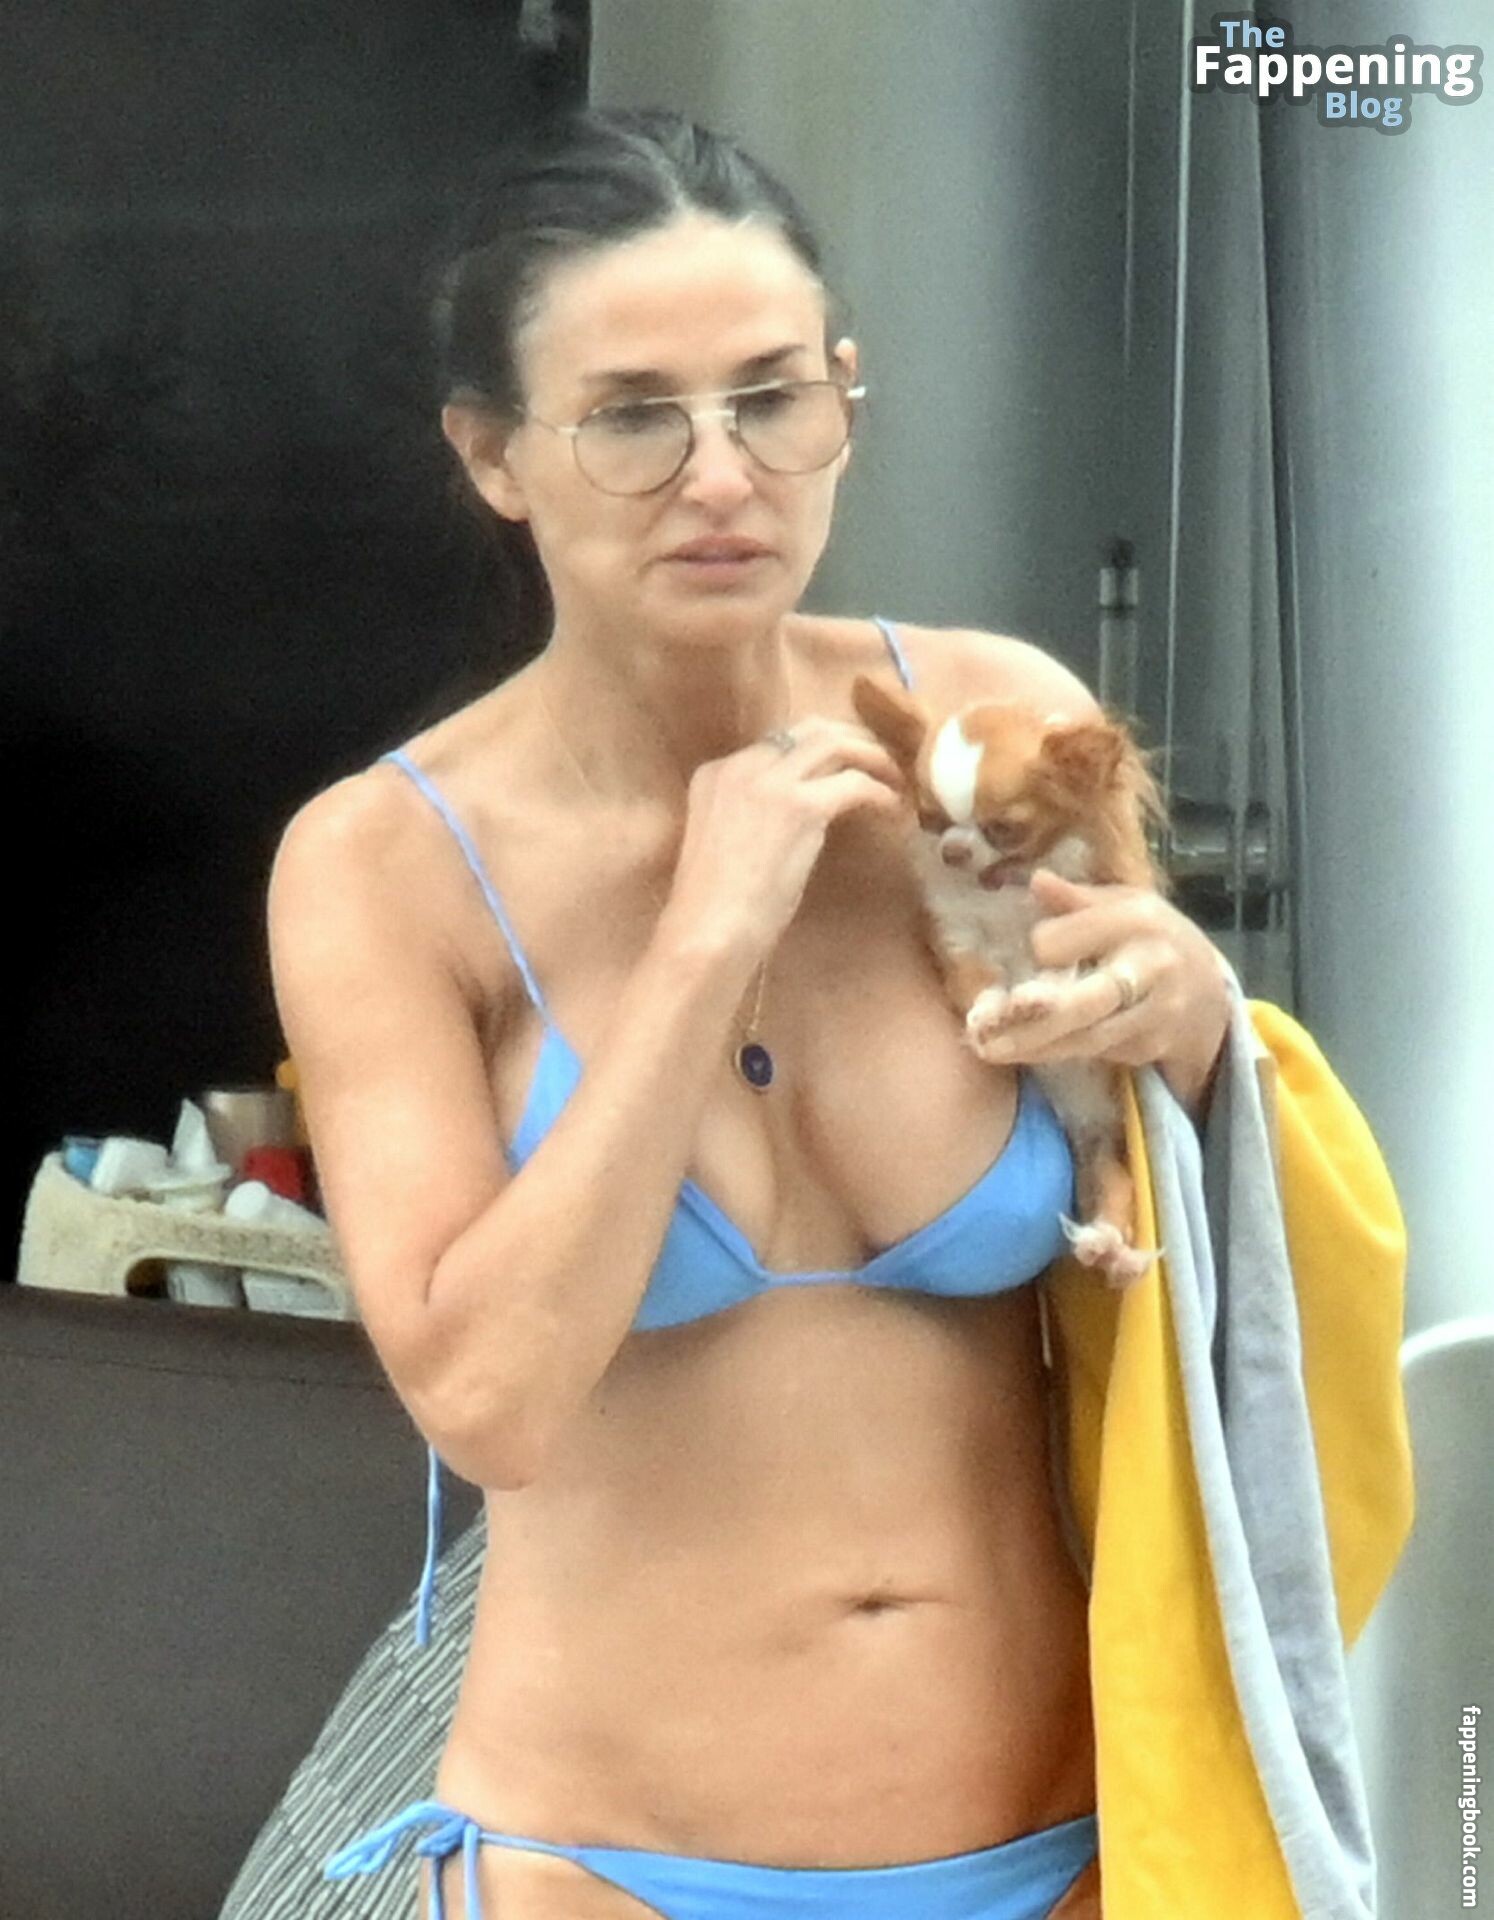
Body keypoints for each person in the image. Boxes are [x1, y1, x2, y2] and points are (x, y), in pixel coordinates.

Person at [266, 105, 1238, 1920]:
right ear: (492, 455)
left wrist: (1193, 1024)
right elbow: (485, 1401)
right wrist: (701, 941)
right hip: (605, 1866)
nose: (720, 476)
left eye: (772, 399)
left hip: (1069, 1847)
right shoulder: (386, 862)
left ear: (842, 399)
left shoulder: (988, 729)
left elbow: (1202, 1241)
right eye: (632, 416)